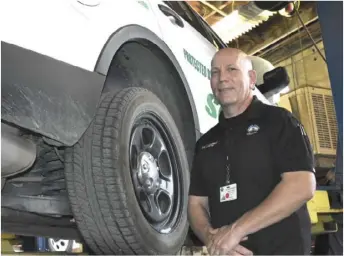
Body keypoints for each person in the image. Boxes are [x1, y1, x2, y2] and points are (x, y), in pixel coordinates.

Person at [187, 48, 316, 255]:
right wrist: (212, 239)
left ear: (251, 78)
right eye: (215, 72)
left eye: (232, 69)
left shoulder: (279, 122)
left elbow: (302, 186)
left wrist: (236, 231)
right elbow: (196, 204)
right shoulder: (205, 143)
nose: (222, 79)